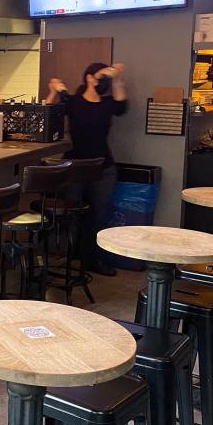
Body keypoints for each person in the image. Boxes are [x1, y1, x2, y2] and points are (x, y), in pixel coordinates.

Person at [45, 62, 128, 276]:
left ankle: (92, 259)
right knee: (71, 215)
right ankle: (69, 256)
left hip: (103, 168)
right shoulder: (72, 102)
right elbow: (45, 113)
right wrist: (52, 91)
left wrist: (116, 76)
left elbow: (122, 104)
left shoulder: (108, 103)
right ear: (89, 78)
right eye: (100, 77)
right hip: (74, 167)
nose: (104, 82)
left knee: (99, 216)